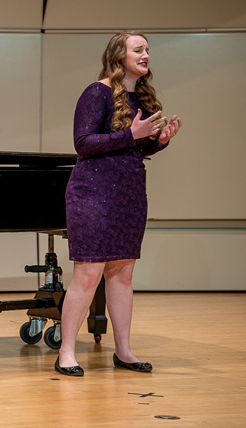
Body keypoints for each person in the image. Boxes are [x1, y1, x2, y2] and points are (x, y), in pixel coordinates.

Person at [55, 32, 182, 376]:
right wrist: (133, 135)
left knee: (123, 274)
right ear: (118, 55)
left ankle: (124, 351)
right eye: (138, 49)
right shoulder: (97, 92)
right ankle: (66, 352)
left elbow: (132, 148)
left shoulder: (139, 96)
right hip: (93, 192)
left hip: (128, 194)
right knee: (88, 272)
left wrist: (158, 143)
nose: (146, 55)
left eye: (148, 50)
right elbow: (83, 143)